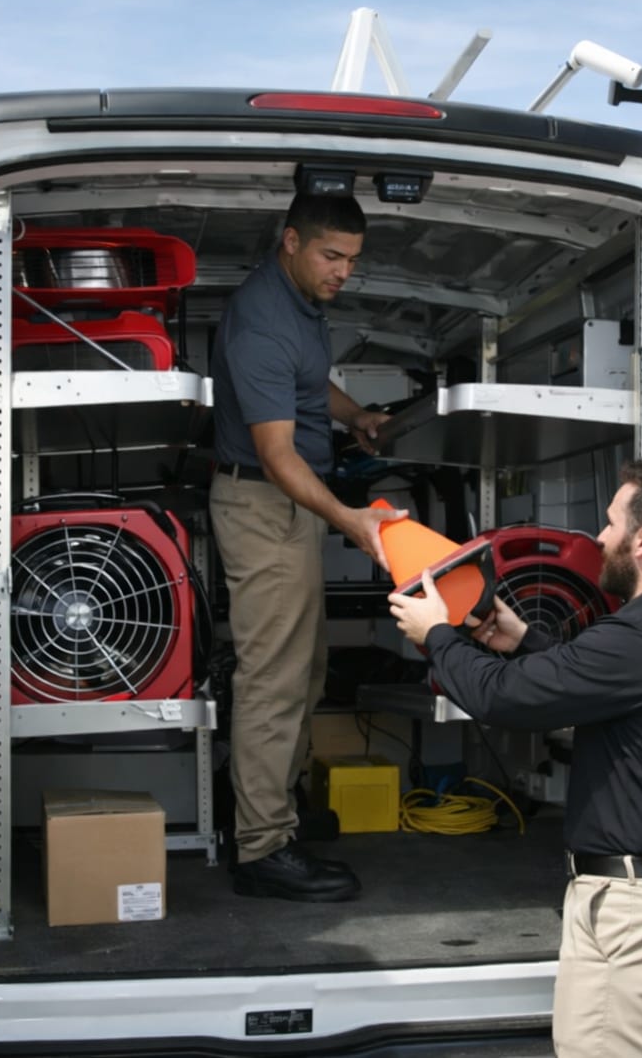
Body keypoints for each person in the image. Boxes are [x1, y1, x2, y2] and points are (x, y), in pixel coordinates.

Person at [388, 457, 642, 1058]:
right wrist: (525, 641)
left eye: (610, 524)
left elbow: (500, 697)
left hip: (637, 919)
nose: (599, 538)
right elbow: (600, 686)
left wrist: (437, 634)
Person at [210, 191, 406, 902]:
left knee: (306, 665)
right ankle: (262, 847)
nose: (344, 272)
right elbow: (277, 456)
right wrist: (352, 521)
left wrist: (356, 416)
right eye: (332, 255)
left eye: (353, 260)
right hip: (264, 503)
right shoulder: (261, 321)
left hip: (288, 509)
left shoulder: (299, 306)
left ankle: (280, 813)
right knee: (272, 676)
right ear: (290, 240)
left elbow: (305, 386)